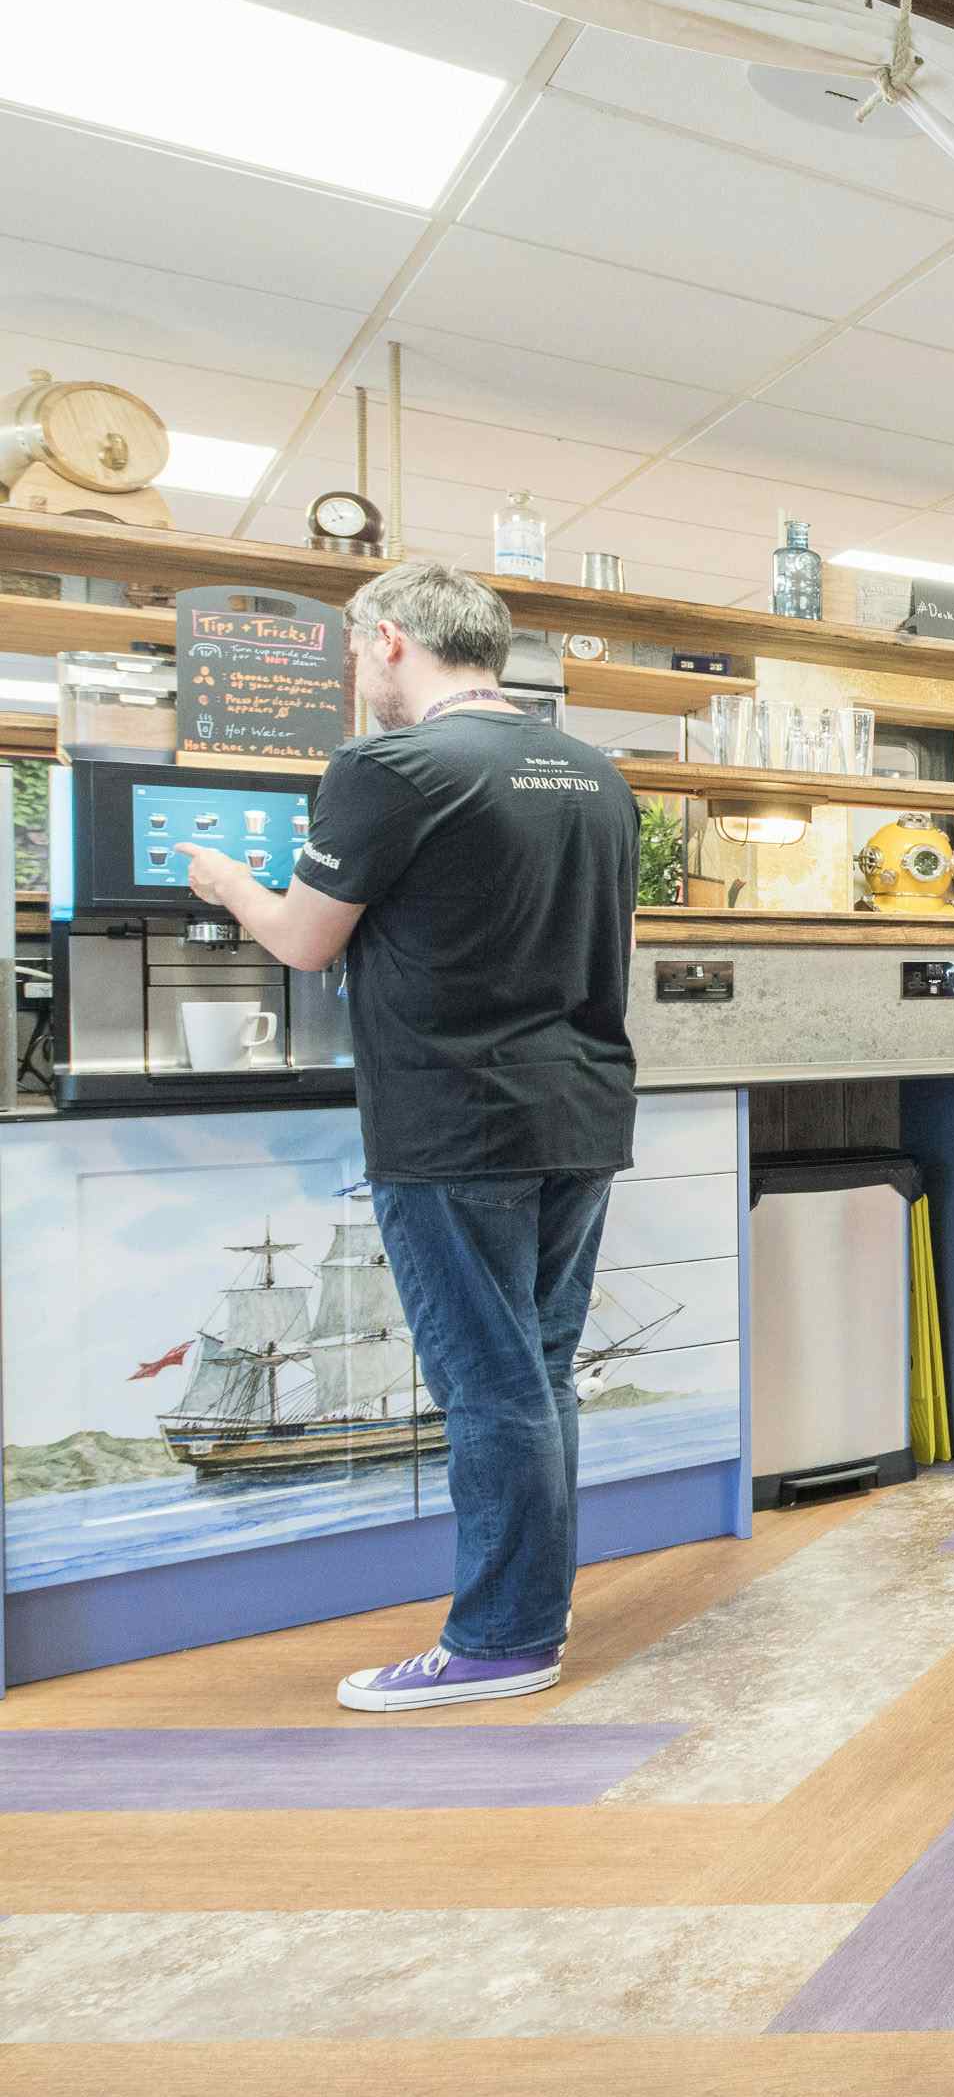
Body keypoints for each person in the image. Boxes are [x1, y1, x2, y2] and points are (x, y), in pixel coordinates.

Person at [176, 560, 637, 1713]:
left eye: (352, 649)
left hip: (455, 1118)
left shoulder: (388, 767)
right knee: (537, 1370)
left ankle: (500, 1638)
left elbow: (305, 939)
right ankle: (535, 1607)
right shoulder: (594, 772)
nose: (354, 671)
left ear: (389, 638)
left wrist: (228, 880)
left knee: (489, 1383)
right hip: (581, 1107)